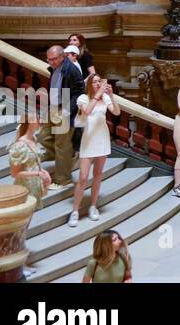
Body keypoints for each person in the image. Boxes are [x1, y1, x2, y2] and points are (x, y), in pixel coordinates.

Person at [69, 73, 119, 227]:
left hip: (102, 139)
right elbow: (87, 112)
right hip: (89, 139)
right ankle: (75, 211)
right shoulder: (83, 98)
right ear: (90, 84)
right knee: (83, 177)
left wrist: (111, 96)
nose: (98, 84)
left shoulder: (105, 98)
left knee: (98, 175)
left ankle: (93, 206)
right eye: (95, 82)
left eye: (99, 81)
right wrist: (99, 94)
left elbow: (116, 112)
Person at [38, 43, 83, 188]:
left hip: (65, 109)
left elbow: (79, 91)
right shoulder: (54, 68)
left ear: (63, 56)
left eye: (55, 59)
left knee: (61, 145)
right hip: (53, 107)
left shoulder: (72, 70)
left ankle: (63, 179)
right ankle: (65, 156)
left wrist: (68, 110)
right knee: (43, 137)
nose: (52, 62)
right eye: (49, 59)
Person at [9, 114, 51, 201]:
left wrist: (44, 173)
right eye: (37, 119)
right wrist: (38, 174)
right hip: (24, 188)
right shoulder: (20, 146)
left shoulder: (34, 139)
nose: (40, 121)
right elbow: (15, 174)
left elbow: (34, 164)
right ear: (30, 122)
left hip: (35, 185)